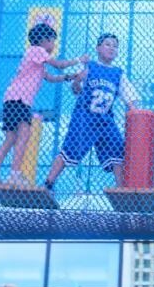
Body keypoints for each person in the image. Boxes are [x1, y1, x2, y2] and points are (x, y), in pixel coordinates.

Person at [0, 21, 88, 186]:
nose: (53, 45)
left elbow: (51, 78)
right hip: (20, 100)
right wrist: (78, 60)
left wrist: (69, 77)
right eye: (52, 41)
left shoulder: (36, 59)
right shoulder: (37, 51)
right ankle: (14, 174)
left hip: (12, 99)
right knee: (24, 135)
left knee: (10, 138)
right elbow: (59, 65)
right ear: (44, 40)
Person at [42, 33, 140, 190]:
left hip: (105, 121)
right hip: (85, 117)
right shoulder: (90, 67)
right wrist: (77, 81)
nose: (112, 48)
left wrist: (136, 111)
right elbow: (76, 90)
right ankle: (48, 184)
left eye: (115, 46)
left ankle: (121, 189)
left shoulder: (118, 73)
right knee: (70, 150)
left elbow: (130, 98)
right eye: (107, 44)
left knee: (117, 150)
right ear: (98, 48)